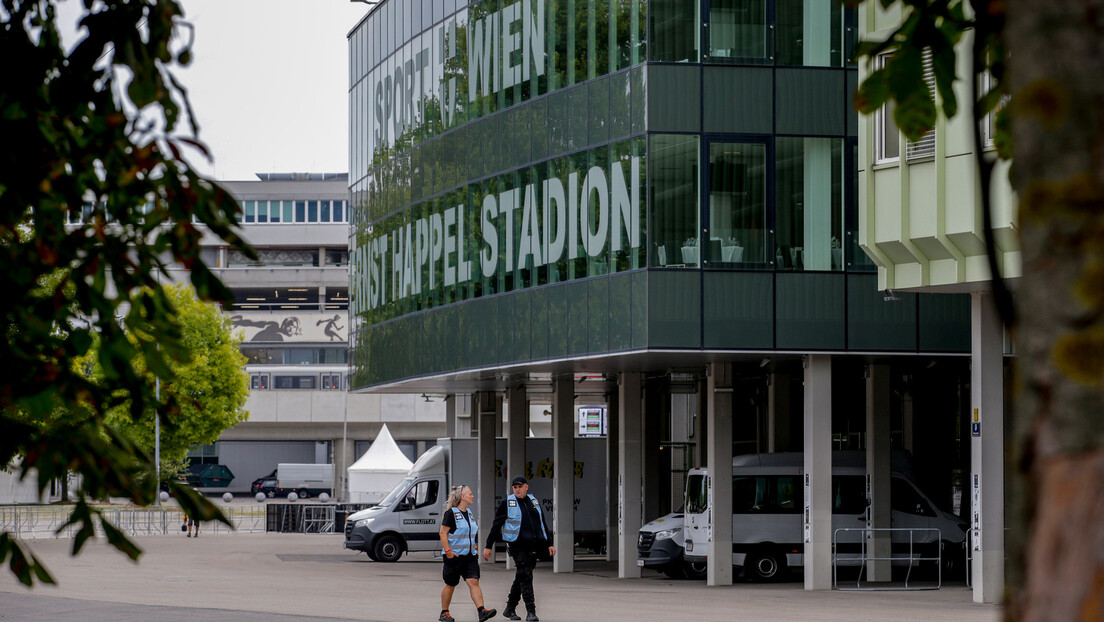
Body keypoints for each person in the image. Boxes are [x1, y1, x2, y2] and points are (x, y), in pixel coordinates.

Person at [482, 477, 555, 622]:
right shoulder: (507, 503)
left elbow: (542, 523)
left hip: (533, 546)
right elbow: (496, 525)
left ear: (526, 487)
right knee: (526, 576)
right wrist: (488, 546)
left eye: (520, 486)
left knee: (521, 577)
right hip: (517, 546)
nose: (517, 489)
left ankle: (510, 608)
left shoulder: (533, 501)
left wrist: (549, 543)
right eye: (515, 487)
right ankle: (531, 611)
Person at [439, 485, 497, 622]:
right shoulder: (451, 513)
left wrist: (475, 547)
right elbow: (442, 533)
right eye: (470, 494)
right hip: (454, 556)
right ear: (462, 497)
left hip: (469, 556)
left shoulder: (469, 513)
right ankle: (444, 612)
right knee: (451, 584)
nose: (472, 496)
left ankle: (482, 611)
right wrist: (448, 551)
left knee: (474, 581)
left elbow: (470, 533)